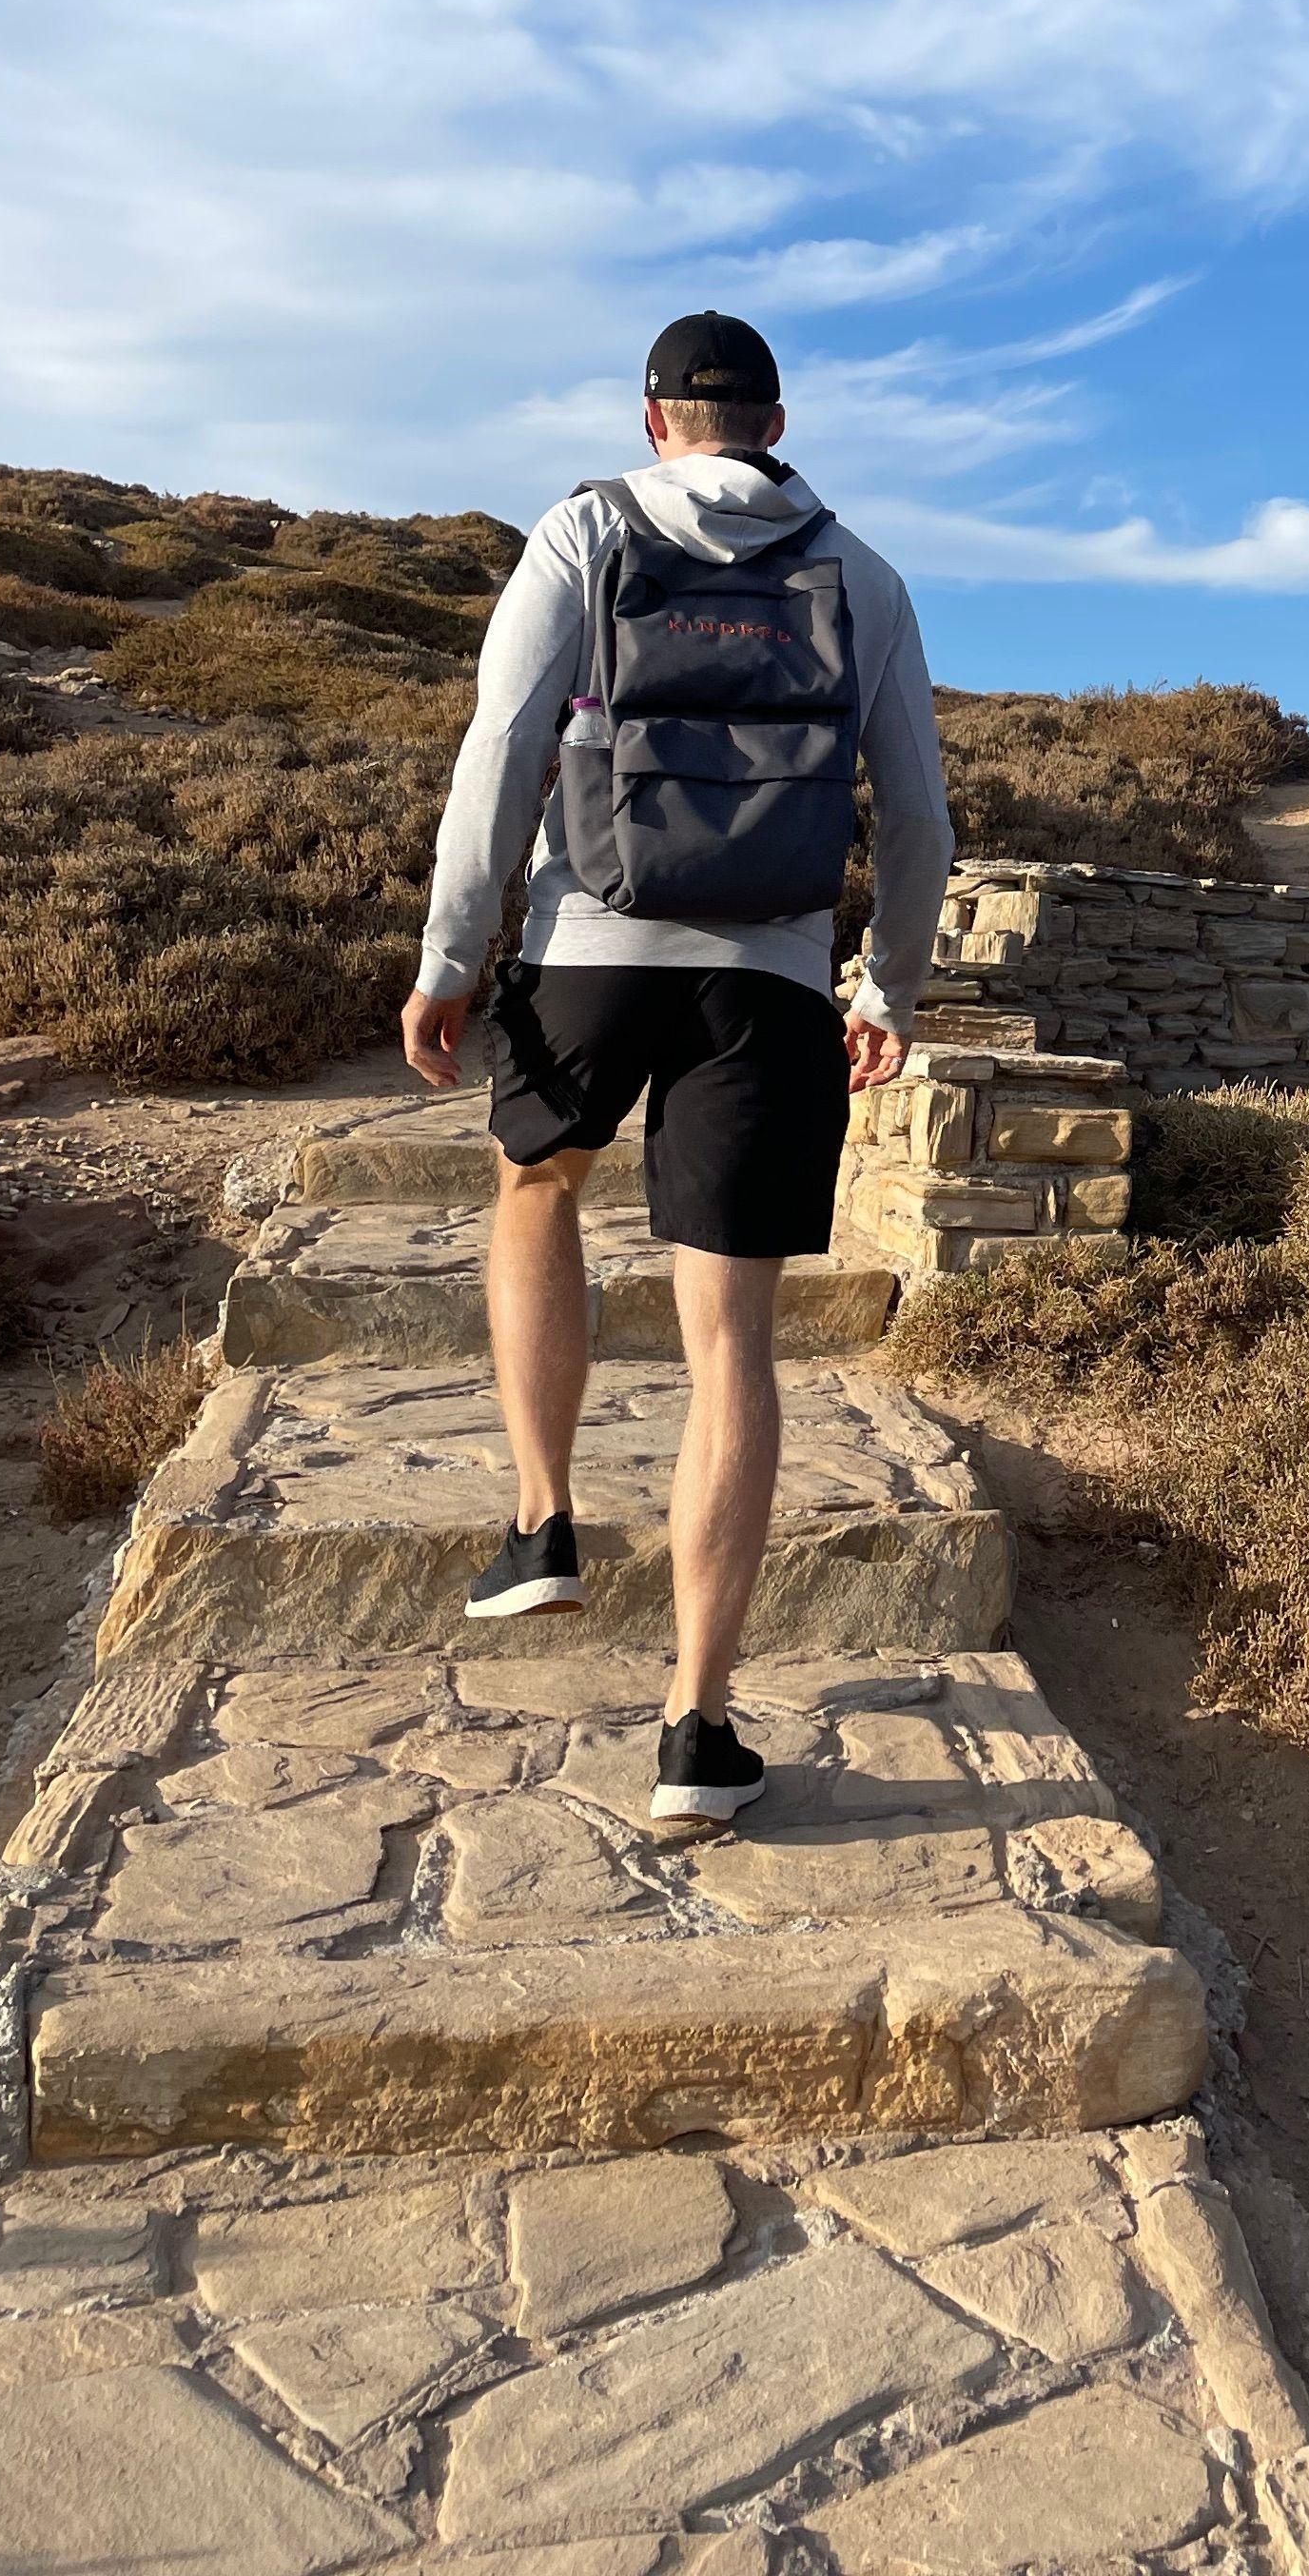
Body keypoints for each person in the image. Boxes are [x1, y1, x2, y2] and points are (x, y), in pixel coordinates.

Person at [399, 312, 953, 1827]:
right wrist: (885, 980)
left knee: (538, 1186)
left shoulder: (584, 533)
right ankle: (699, 1732)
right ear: (775, 420)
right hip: (768, 982)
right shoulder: (865, 575)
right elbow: (917, 815)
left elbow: (500, 749)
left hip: (591, 947)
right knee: (733, 1344)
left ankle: (545, 1523)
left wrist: (454, 954)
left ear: (658, 420)